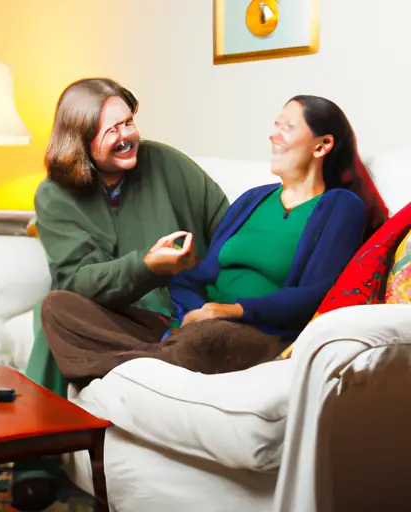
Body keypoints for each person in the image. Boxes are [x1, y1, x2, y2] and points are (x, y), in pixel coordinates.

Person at [41, 95, 386, 382]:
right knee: (58, 307)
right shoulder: (253, 199)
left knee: (208, 339)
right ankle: (157, 361)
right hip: (195, 324)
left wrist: (231, 311)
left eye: (288, 127)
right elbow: (199, 275)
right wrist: (195, 310)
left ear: (322, 145)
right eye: (276, 126)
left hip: (254, 331)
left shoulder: (340, 206)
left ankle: (148, 363)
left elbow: (315, 296)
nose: (274, 135)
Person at [25, 78, 230, 396]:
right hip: (117, 318)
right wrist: (147, 267)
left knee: (52, 319)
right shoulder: (54, 195)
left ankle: (161, 356)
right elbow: (78, 283)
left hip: (186, 312)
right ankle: (44, 435)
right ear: (80, 139)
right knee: (53, 309)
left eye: (129, 123)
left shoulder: (166, 163)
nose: (127, 137)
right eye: (112, 130)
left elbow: (227, 230)